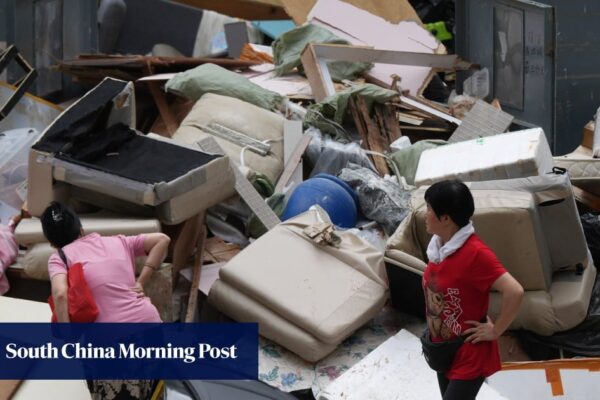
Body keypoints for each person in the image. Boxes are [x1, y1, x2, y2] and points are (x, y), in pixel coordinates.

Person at [41, 201, 170, 399]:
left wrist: (68, 338)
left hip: (109, 340)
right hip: (150, 327)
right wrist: (141, 281)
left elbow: (60, 294)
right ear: (81, 229)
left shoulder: (60, 257)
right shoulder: (119, 241)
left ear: (51, 242)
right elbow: (162, 239)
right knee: (154, 393)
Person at [422, 180, 524, 400]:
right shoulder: (438, 248)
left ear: (446, 218)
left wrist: (495, 330)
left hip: (468, 354)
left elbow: (515, 291)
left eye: (429, 208)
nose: (425, 214)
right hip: (442, 349)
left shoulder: (476, 253)